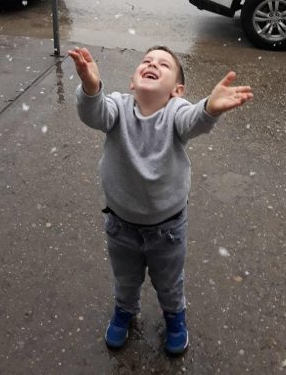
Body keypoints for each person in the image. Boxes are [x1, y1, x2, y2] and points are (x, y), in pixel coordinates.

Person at [68, 45, 253, 354]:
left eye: (163, 65)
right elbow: (94, 113)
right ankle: (124, 311)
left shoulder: (176, 112)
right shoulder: (117, 107)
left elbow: (194, 120)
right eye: (147, 61)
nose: (152, 64)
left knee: (168, 282)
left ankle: (174, 316)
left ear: (177, 90)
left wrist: (209, 108)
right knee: (125, 278)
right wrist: (91, 86)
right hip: (120, 225)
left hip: (167, 229)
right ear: (132, 82)